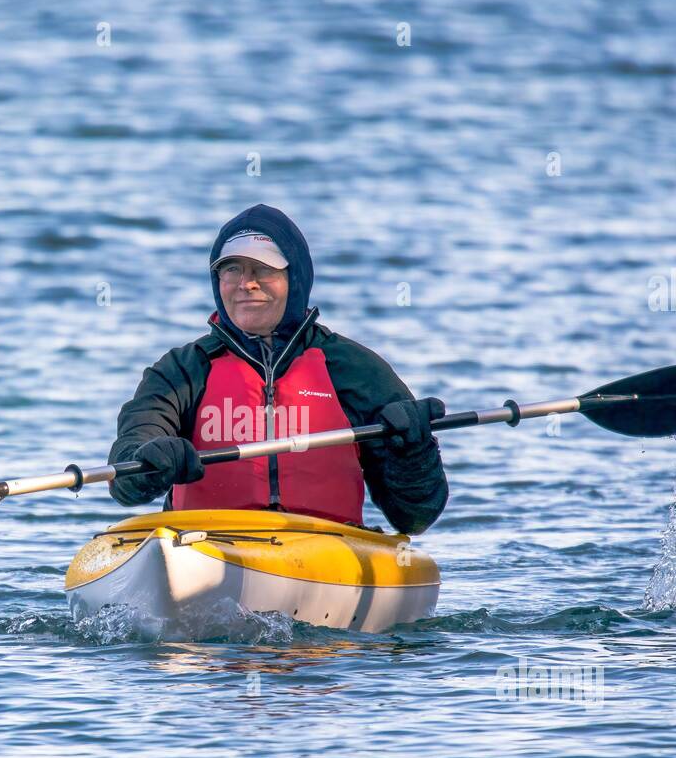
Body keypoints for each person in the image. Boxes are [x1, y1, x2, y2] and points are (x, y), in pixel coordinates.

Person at [107, 203, 447, 534]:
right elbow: (125, 477)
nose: (246, 283)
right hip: (203, 549)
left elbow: (415, 518)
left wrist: (414, 454)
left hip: (327, 551)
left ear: (295, 278)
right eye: (232, 269)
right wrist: (148, 461)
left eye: (263, 269)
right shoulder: (182, 370)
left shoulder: (356, 370)